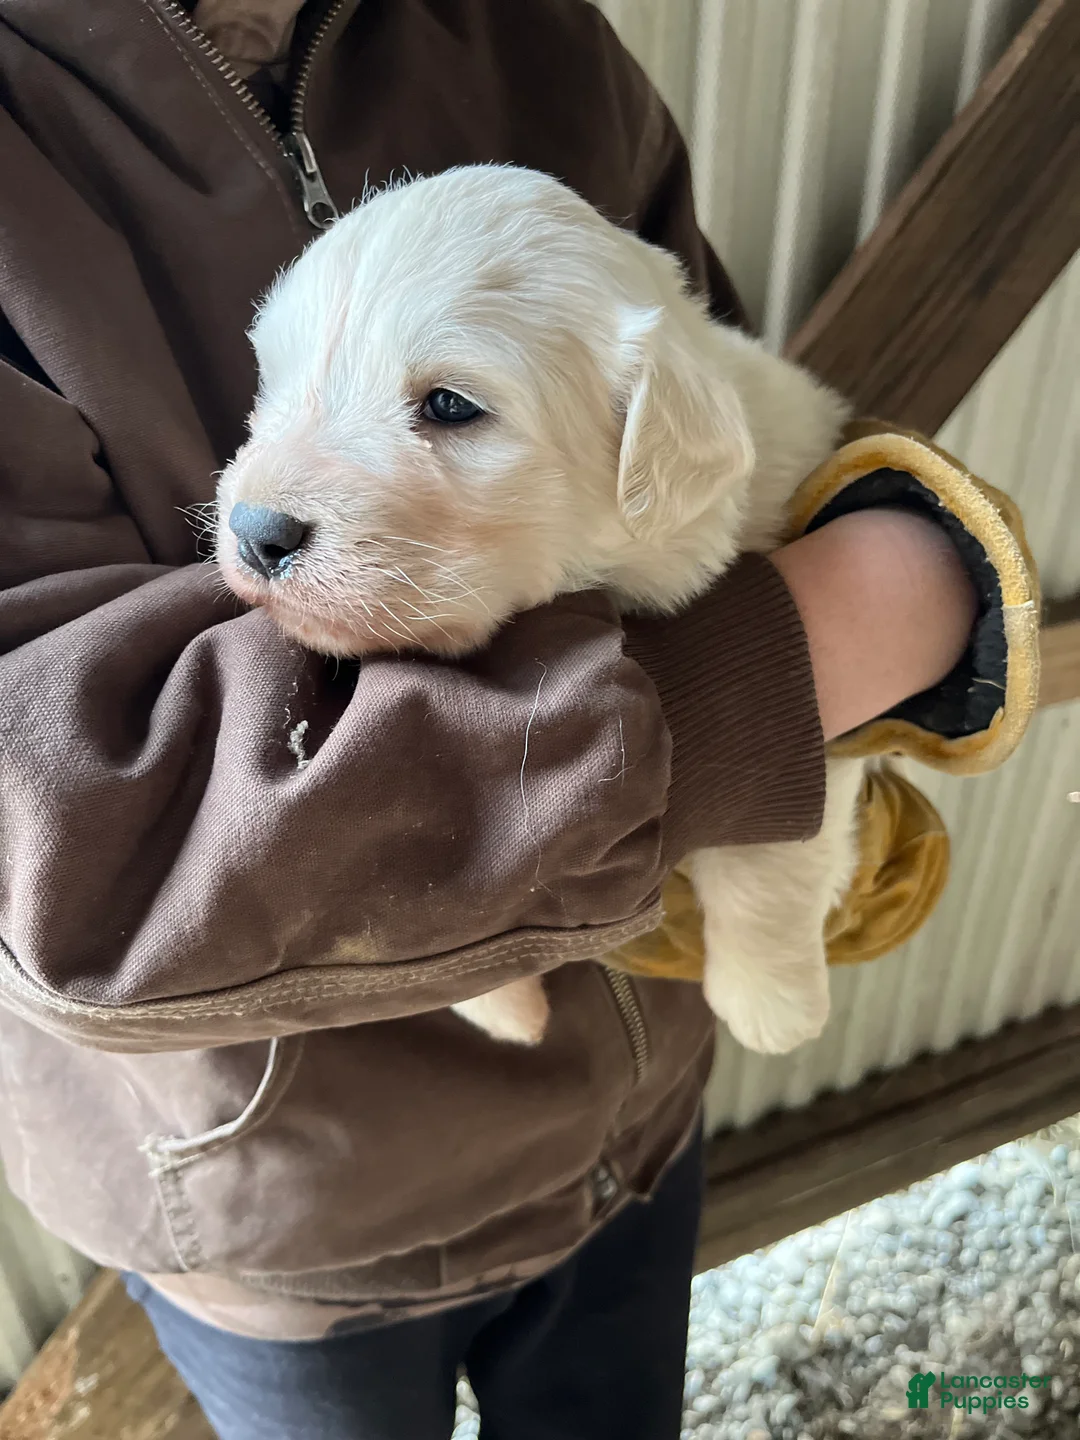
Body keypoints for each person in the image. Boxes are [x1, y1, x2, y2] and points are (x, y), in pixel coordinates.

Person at [0, 3, 977, 1436]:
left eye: (448, 406)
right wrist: (807, 654)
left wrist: (766, 889)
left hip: (636, 1112)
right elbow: (80, 841)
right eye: (281, 384)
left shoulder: (534, 35)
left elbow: (700, 411)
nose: (260, 495)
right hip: (295, 1218)